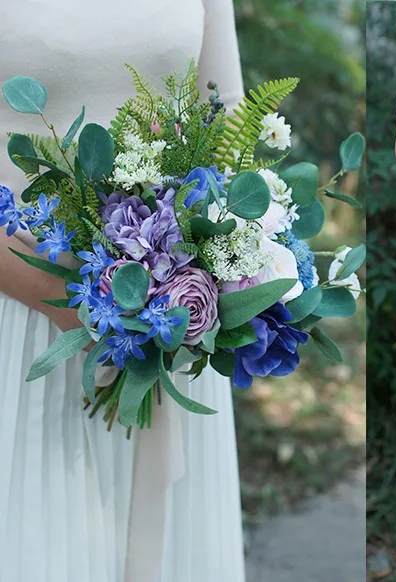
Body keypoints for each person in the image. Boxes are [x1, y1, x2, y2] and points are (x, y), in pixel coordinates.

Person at [0, 0, 246, 580]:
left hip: (169, 319)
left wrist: (210, 268)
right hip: (22, 320)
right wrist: (57, 298)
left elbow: (229, 120)